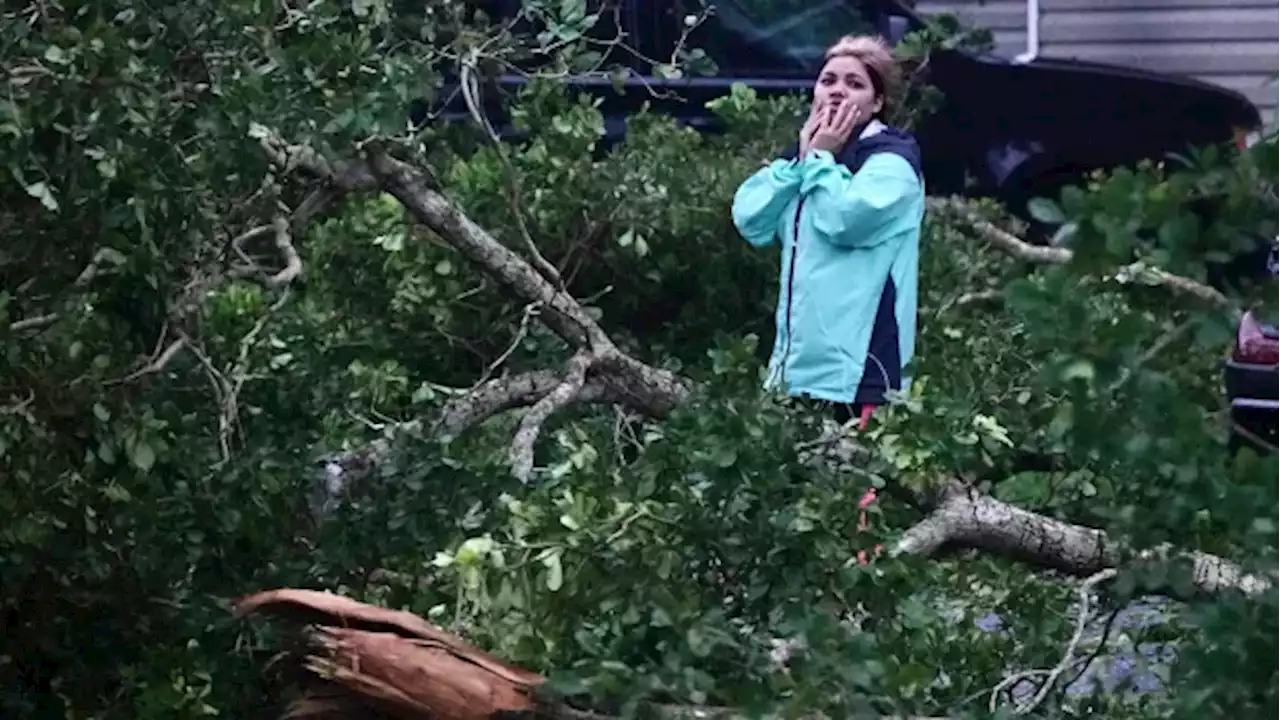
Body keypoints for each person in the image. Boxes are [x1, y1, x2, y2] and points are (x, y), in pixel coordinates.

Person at [731, 34, 925, 431]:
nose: (838, 91)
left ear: (877, 102)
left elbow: (845, 221)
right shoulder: (807, 158)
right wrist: (802, 162)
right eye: (828, 80)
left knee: (859, 492)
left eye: (855, 84)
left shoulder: (892, 162)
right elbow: (751, 219)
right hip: (797, 370)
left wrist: (820, 158)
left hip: (862, 376)